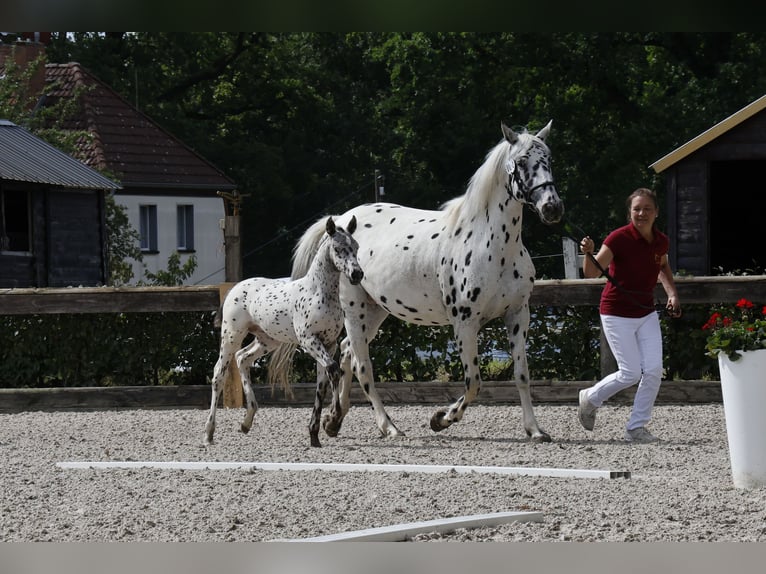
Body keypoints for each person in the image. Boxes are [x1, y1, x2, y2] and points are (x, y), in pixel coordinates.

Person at [577, 187, 682, 443]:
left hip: (645, 312)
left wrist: (672, 293)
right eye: (637, 209)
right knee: (631, 373)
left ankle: (636, 427)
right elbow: (591, 273)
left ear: (656, 212)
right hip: (616, 313)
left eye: (647, 209)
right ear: (629, 212)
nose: (642, 213)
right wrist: (588, 252)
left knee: (655, 370)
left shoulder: (660, 241)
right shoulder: (618, 238)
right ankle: (590, 398)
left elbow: (663, 266)